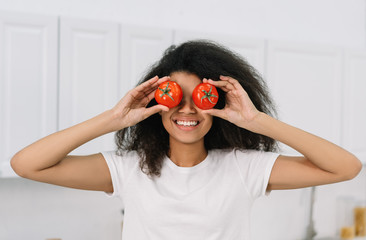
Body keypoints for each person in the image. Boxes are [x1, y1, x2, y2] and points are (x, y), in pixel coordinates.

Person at [11, 40, 362, 239]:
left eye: (203, 97)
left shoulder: (244, 167)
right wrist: (113, 119)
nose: (188, 109)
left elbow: (346, 167)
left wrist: (258, 121)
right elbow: (26, 164)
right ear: (157, 103)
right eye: (173, 96)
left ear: (219, 102)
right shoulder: (128, 169)